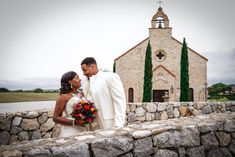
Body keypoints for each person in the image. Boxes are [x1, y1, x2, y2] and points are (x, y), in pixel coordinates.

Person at [80, 57, 126, 129]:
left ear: (92, 67)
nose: (83, 73)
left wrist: (118, 124)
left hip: (109, 122)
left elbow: (119, 101)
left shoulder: (110, 77)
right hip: (92, 124)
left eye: (85, 70)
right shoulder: (85, 82)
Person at [53, 71, 87, 137]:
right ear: (70, 82)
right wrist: (75, 122)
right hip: (71, 130)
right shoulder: (63, 96)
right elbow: (55, 118)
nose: (80, 79)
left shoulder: (81, 93)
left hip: (84, 128)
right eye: (77, 78)